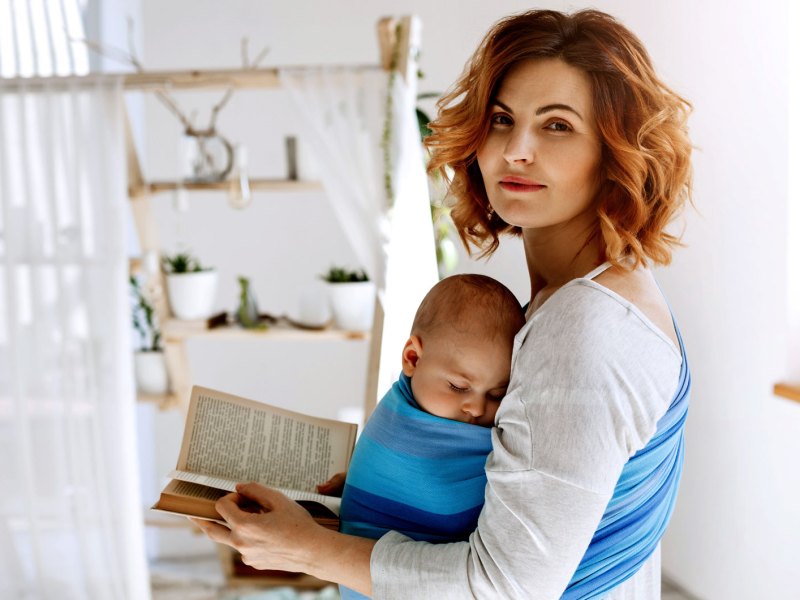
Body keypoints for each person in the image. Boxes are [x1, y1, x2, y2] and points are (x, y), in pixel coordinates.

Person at [192, 8, 693, 599]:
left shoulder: (585, 327)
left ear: (615, 152)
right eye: (502, 119)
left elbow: (505, 587)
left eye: (557, 126)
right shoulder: (588, 297)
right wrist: (406, 478)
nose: (517, 150)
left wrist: (306, 549)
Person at [336, 274, 525, 599]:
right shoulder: (399, 421)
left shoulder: (424, 401)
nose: (477, 407)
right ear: (412, 358)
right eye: (458, 387)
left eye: (497, 393)